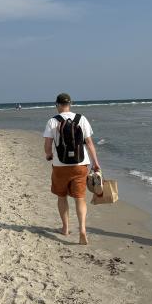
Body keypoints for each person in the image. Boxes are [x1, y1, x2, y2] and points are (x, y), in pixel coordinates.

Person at [42, 93, 101, 245]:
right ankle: (82, 230)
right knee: (80, 198)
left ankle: (65, 228)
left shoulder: (52, 121)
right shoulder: (81, 119)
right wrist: (95, 163)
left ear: (57, 104)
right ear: (70, 104)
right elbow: (89, 144)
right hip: (80, 164)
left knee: (62, 197)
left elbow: (48, 145)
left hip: (60, 166)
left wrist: (49, 155)